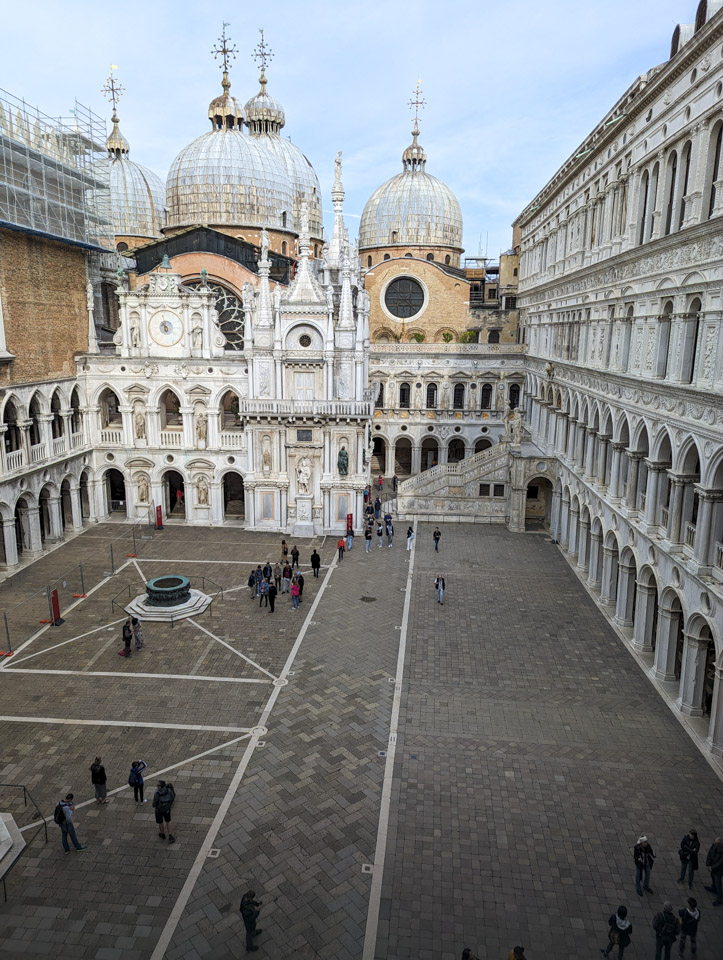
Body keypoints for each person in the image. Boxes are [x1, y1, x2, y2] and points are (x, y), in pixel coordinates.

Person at [704, 835, 723, 904]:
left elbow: (720, 862)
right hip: (712, 866)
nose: (714, 844)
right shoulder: (714, 845)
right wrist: (708, 864)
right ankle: (713, 888)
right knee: (713, 878)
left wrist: (712, 867)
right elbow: (710, 854)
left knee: (718, 883)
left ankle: (720, 899)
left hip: (719, 870)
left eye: (716, 843)